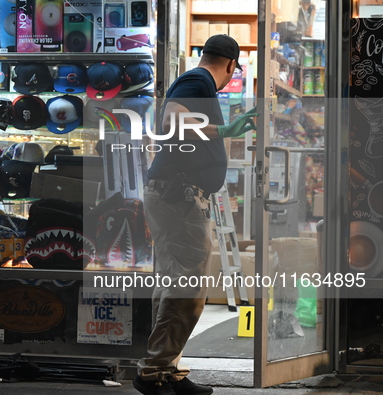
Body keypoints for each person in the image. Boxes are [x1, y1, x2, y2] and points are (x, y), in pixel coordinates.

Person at [133, 34, 258, 395]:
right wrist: (225, 130)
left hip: (175, 195)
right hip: (178, 197)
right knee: (187, 288)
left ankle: (167, 370)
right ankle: (153, 370)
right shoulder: (198, 80)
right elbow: (174, 122)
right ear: (231, 66)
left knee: (174, 283)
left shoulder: (198, 82)